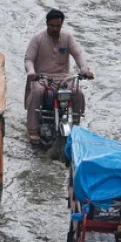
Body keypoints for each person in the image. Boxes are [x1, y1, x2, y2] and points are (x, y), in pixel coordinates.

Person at [23, 9, 94, 142]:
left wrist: (85, 70)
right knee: (37, 92)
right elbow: (28, 59)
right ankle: (32, 129)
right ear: (47, 24)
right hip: (42, 77)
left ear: (62, 24)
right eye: (52, 26)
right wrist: (31, 71)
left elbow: (78, 54)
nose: (55, 29)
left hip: (64, 77)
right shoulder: (38, 38)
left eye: (58, 26)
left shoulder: (67, 37)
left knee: (78, 92)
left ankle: (76, 127)